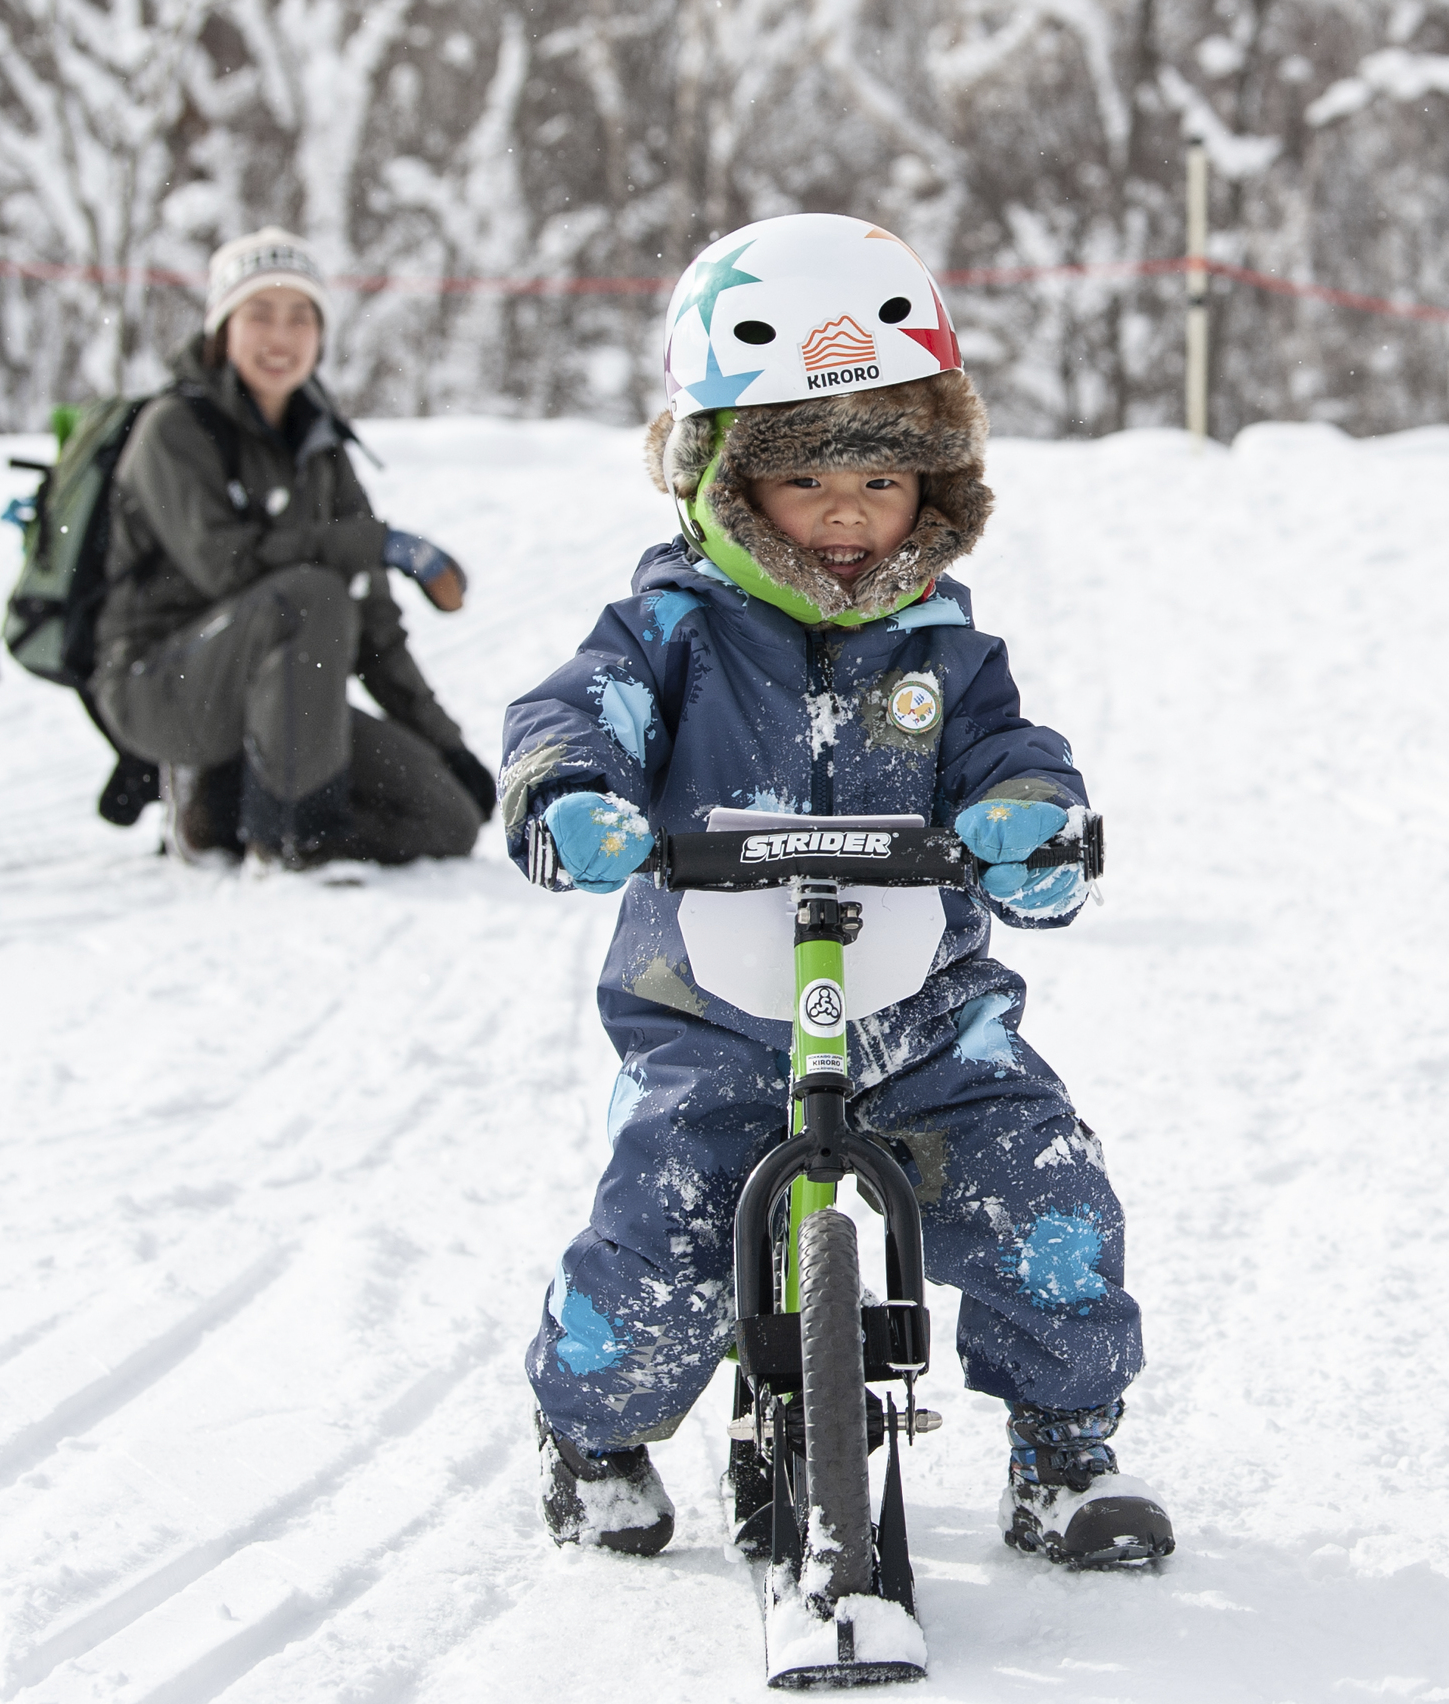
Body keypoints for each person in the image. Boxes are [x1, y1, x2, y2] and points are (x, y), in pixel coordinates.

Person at [498, 213, 1173, 1567]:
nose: (855, 507)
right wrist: (573, 793)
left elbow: (1008, 755)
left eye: (891, 470)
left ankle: (1062, 1454)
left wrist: (1024, 823)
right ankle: (596, 1429)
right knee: (662, 1234)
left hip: (922, 1009)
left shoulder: (944, 648)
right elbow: (581, 710)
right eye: (811, 474)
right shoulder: (672, 629)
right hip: (716, 1009)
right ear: (729, 482)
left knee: (1043, 1188)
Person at [91, 226, 493, 869]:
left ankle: (224, 807)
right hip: (159, 683)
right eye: (260, 314)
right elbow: (226, 567)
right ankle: (287, 837)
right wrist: (371, 543)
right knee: (308, 594)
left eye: (300, 317)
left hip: (275, 703)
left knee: (445, 818)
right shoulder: (173, 430)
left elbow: (376, 625)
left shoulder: (321, 449)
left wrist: (447, 747)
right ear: (224, 327)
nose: (281, 336)